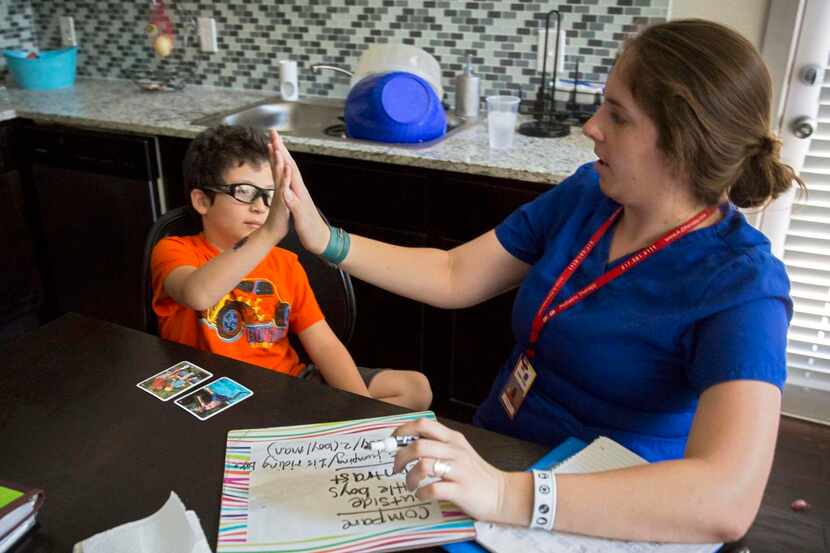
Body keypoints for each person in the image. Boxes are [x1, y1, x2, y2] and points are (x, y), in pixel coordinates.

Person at [271, 19, 804, 544]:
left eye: (617, 116)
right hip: (501, 452)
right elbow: (455, 274)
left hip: (611, 507)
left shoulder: (743, 286)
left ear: (684, 144)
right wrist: (325, 240)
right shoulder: (589, 197)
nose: (591, 127)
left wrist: (506, 496)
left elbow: (726, 498)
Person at [150, 125, 432, 410]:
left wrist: (361, 408)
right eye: (245, 191)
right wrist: (268, 234)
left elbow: (325, 345)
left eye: (270, 195)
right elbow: (198, 294)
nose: (261, 206)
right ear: (201, 201)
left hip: (288, 383)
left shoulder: (286, 264)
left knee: (415, 388)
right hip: (214, 393)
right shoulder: (174, 251)